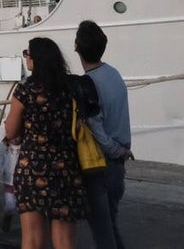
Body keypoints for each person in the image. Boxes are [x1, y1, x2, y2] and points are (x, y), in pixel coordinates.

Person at [5, 37, 85, 249]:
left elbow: (11, 131)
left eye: (27, 53)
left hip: (32, 169)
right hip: (66, 168)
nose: (26, 57)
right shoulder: (71, 88)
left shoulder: (25, 90)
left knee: (31, 239)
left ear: (36, 59)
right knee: (65, 241)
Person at [74, 21, 132, 249]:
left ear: (77, 47)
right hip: (118, 166)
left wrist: (118, 151)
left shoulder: (88, 83)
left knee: (102, 232)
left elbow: (97, 131)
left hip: (101, 165)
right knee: (110, 225)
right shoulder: (114, 74)